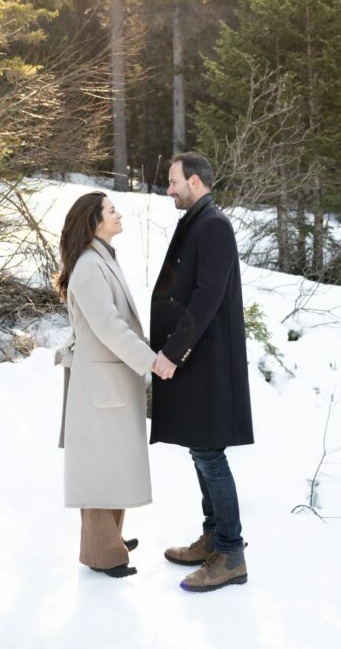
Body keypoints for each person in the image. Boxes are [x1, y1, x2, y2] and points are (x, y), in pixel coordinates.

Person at [150, 152, 254, 592]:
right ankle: (213, 536)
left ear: (194, 181)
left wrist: (174, 352)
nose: (168, 189)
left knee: (210, 453)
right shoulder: (198, 220)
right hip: (197, 360)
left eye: (173, 181)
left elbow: (207, 297)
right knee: (200, 449)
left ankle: (230, 553)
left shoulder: (214, 225)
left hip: (205, 361)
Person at [55, 190, 167, 578]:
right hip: (100, 380)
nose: (119, 215)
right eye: (111, 210)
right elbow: (108, 326)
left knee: (113, 461)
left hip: (111, 377)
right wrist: (149, 360)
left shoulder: (100, 260)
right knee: (98, 466)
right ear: (93, 221)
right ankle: (104, 554)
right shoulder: (88, 267)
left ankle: (112, 539)